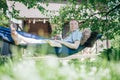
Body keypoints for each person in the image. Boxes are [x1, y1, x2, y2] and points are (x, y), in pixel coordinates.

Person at [10, 20, 83, 50]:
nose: (73, 25)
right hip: (58, 44)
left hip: (59, 46)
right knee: (38, 40)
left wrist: (61, 42)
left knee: (38, 41)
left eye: (75, 24)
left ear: (78, 26)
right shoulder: (72, 33)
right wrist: (60, 40)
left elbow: (75, 46)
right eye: (71, 24)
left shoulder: (77, 33)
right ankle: (19, 40)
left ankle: (19, 37)